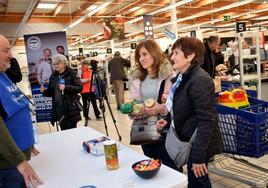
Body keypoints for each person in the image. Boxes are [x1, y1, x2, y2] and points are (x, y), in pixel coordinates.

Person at [156, 36, 223, 187]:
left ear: (191, 56)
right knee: (196, 180)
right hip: (189, 137)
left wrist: (198, 156)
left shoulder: (200, 80)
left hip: (198, 143)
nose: (172, 57)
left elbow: (207, 120)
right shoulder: (182, 76)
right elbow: (181, 105)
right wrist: (167, 119)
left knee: (198, 181)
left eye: (176, 53)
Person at [0, 34, 43, 188]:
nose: (10, 56)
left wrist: (27, 140)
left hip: (17, 160)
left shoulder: (3, 75)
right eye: (6, 51)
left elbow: (15, 106)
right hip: (7, 166)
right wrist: (19, 161)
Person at [129, 39, 178, 170]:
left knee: (169, 165)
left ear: (154, 54)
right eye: (139, 56)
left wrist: (161, 108)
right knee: (153, 163)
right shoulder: (136, 77)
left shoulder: (168, 76)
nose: (141, 58)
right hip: (145, 129)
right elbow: (135, 101)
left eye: (144, 54)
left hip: (165, 129)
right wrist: (132, 111)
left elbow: (176, 104)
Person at [40, 54, 82, 131]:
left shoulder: (72, 73)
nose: (55, 66)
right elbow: (51, 92)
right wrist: (45, 91)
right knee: (63, 131)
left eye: (58, 64)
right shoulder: (53, 76)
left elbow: (79, 88)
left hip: (70, 108)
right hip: (58, 109)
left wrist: (66, 87)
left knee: (71, 132)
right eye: (54, 64)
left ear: (64, 63)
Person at [79, 59, 102, 126]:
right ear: (83, 65)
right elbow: (79, 80)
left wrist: (93, 79)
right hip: (83, 90)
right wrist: (88, 80)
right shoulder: (80, 71)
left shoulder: (91, 71)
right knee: (85, 104)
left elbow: (94, 79)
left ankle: (97, 115)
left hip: (91, 89)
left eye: (88, 65)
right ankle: (86, 116)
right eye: (85, 64)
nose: (87, 66)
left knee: (94, 103)